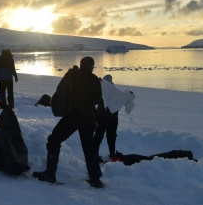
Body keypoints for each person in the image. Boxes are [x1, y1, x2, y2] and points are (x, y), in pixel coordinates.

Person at [33, 56, 105, 188]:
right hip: (88, 118)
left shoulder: (73, 75)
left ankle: (50, 174)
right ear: (91, 66)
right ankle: (95, 179)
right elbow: (97, 100)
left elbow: (60, 91)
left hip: (73, 116)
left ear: (81, 64)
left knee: (54, 140)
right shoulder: (94, 79)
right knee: (89, 148)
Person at [93, 74, 135, 162]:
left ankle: (94, 155)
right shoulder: (115, 91)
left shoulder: (100, 89)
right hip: (112, 119)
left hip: (101, 117)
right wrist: (127, 94)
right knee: (111, 137)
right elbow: (122, 96)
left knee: (98, 137)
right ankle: (112, 154)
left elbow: (92, 101)